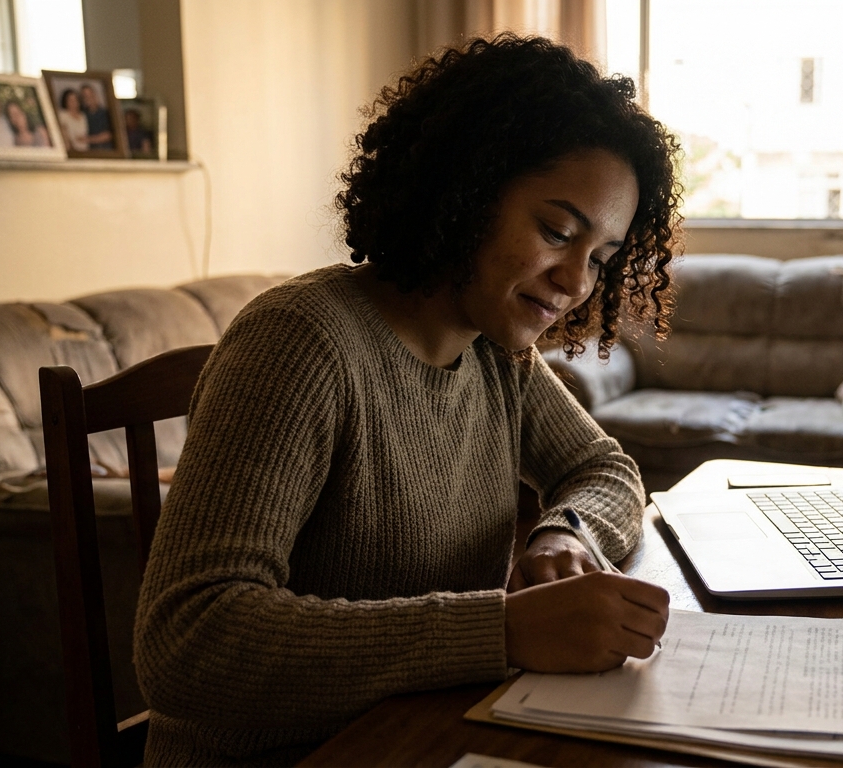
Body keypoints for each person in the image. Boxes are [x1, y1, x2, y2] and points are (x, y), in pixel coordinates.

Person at [133, 34, 682, 767]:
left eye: (602, 260)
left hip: (432, 729)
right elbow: (187, 641)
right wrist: (503, 631)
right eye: (557, 232)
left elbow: (604, 470)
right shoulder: (300, 343)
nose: (577, 282)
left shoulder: (495, 353)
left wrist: (566, 536)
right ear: (465, 189)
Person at [79, 84, 114, 149]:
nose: (88, 99)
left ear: (95, 95)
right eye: (84, 96)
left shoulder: (105, 113)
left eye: (90, 96)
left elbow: (108, 135)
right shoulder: (82, 115)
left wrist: (88, 139)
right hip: (90, 151)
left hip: (105, 150)